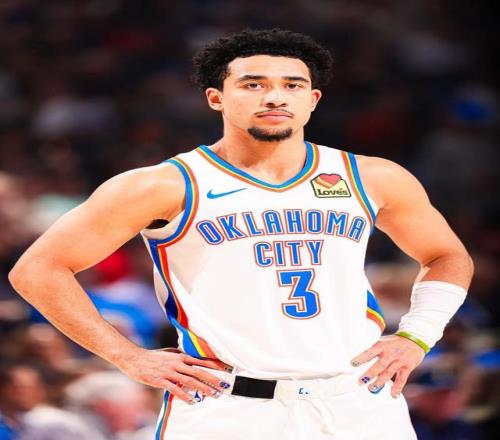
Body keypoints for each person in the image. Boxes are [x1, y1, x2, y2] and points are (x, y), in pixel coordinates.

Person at [8, 28, 473, 439]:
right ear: (216, 98)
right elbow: (37, 270)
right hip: (228, 406)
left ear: (312, 99)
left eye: (292, 85)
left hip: (360, 403)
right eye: (254, 84)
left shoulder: (371, 176)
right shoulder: (164, 184)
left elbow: (447, 256)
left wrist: (417, 336)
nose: (275, 97)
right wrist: (127, 356)